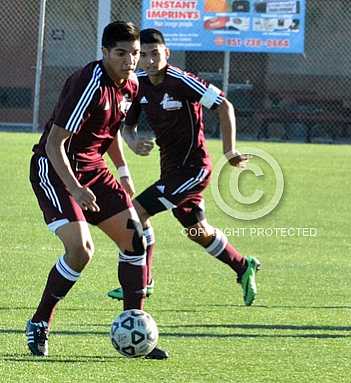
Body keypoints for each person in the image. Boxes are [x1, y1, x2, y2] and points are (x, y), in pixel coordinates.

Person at [27, 21, 167, 359]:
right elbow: (55, 144)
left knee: (135, 239)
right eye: (121, 53)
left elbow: (112, 131)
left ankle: (136, 324)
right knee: (81, 250)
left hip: (93, 170)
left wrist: (122, 171)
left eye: (134, 53)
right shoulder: (88, 83)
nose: (130, 60)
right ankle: (40, 321)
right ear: (105, 52)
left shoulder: (131, 84)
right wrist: (74, 188)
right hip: (56, 168)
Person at [106, 28, 261, 306]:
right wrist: (133, 143)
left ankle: (143, 280)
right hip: (171, 171)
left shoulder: (180, 80)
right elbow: (127, 127)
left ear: (167, 53)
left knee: (136, 211)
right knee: (197, 231)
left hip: (194, 169)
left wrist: (229, 150)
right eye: (144, 55)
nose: (151, 60)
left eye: (156, 54)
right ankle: (242, 265)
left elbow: (224, 106)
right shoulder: (138, 83)